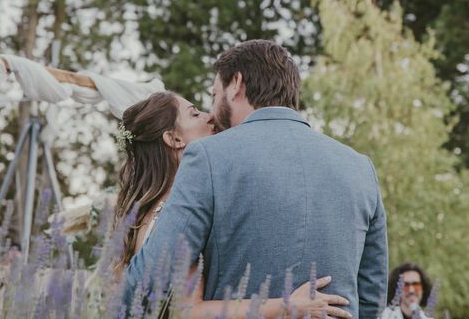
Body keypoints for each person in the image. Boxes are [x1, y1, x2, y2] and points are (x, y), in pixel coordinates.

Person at [123, 40, 388, 318]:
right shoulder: (360, 167)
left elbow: (151, 276)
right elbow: (373, 296)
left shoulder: (208, 156)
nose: (212, 112)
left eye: (214, 94)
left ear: (236, 83)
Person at [114, 90, 351, 318]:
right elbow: (188, 311)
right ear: (173, 138)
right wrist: (288, 306)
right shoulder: (180, 214)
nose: (210, 116)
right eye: (195, 114)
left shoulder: (149, 212)